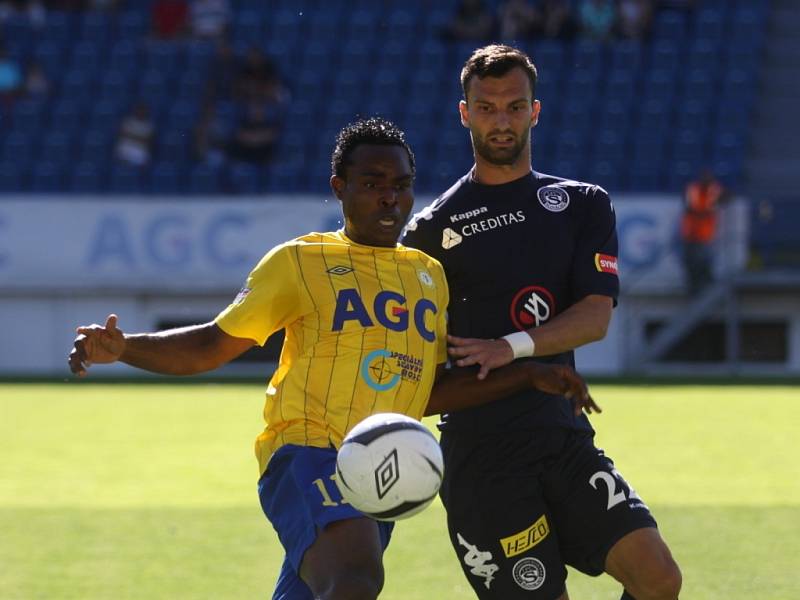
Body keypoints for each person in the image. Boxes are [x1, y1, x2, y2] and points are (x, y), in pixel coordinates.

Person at [69, 117, 597, 600]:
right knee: (355, 580)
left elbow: (427, 392)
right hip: (307, 453)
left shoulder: (428, 275)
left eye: (401, 185)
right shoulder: (300, 260)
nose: (390, 198)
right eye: (372, 184)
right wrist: (126, 347)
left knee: (328, 587)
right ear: (339, 189)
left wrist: (529, 375)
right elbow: (213, 344)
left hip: (381, 474)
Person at [401, 45, 681, 600]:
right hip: (483, 460)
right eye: (486, 107)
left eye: (513, 106)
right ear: (465, 114)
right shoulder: (429, 234)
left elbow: (595, 316)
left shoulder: (581, 205)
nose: (500, 120)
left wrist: (511, 347)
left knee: (659, 578)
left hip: (563, 436)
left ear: (536, 111)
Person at [680, 168, 726, 295]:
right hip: (691, 233)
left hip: (706, 234)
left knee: (705, 261)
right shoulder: (693, 189)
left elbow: (725, 197)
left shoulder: (714, 190)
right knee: (691, 262)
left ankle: (705, 285)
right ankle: (693, 288)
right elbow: (691, 208)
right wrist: (705, 212)